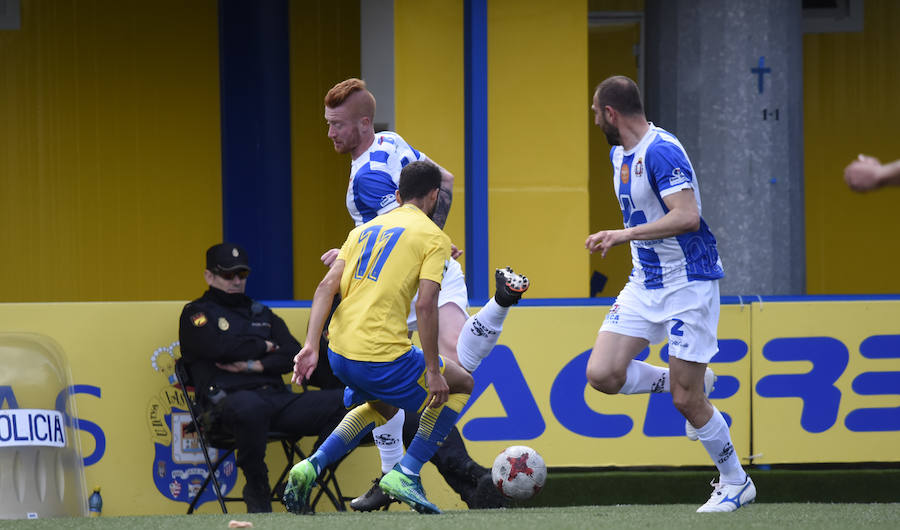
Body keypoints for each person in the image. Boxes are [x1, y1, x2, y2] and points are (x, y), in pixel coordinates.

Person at [320, 77, 529, 510]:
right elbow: (445, 181)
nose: (330, 133)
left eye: (337, 124)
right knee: (452, 369)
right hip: (434, 269)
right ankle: (401, 475)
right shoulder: (392, 140)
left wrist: (348, 254)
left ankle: (396, 474)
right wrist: (436, 231)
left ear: (362, 123)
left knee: (418, 381)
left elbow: (390, 239)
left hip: (398, 286)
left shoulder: (367, 179)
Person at [584, 76, 755, 513]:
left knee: (685, 399)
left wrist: (624, 235)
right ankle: (695, 382)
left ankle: (736, 481)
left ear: (610, 113)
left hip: (688, 282)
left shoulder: (661, 151)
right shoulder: (618, 153)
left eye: (594, 111)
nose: (593, 118)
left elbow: (687, 217)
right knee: (602, 374)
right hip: (646, 283)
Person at [283, 161, 474, 515]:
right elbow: (428, 305)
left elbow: (327, 286)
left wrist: (310, 346)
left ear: (398, 196)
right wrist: (433, 370)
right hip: (379, 353)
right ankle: (407, 472)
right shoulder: (434, 237)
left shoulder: (362, 231)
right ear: (434, 196)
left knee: (383, 406)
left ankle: (310, 466)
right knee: (461, 384)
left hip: (338, 351)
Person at [178, 243, 347, 513]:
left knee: (351, 403)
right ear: (210, 276)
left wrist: (251, 364)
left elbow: (293, 355)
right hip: (225, 408)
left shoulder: (262, 314)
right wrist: (264, 346)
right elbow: (217, 349)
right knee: (249, 406)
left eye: (241, 274)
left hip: (275, 400)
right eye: (228, 275)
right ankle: (257, 486)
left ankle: (304, 476)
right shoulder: (195, 314)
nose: (236, 281)